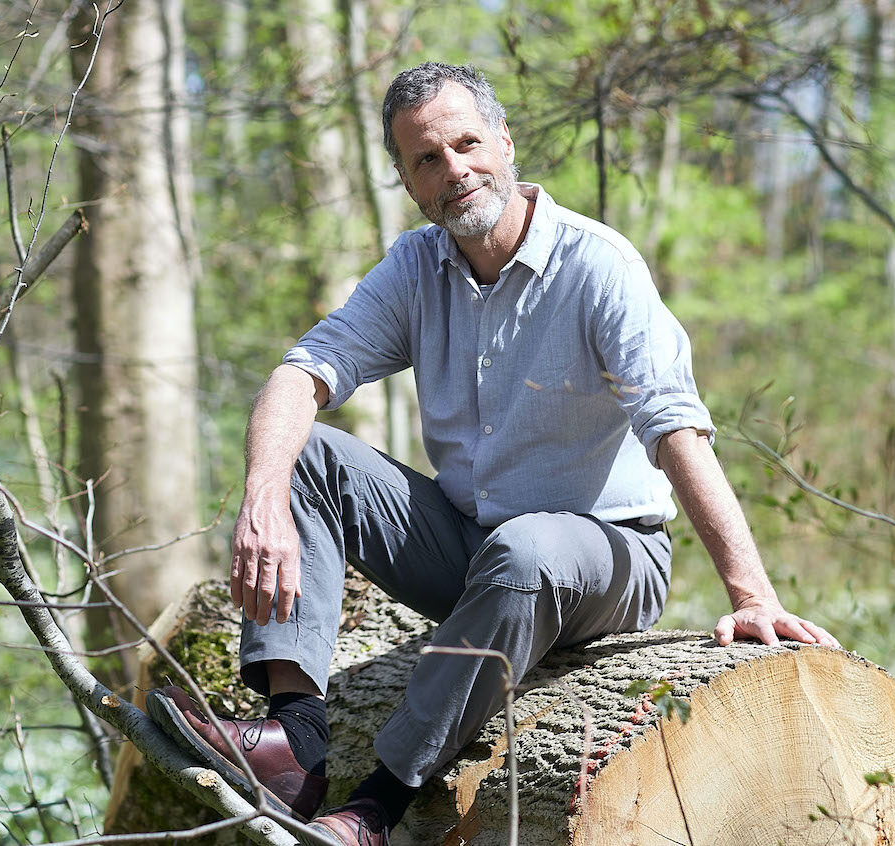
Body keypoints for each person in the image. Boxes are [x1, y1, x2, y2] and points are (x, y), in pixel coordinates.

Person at [148, 62, 838, 846]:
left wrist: (752, 593)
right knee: (306, 456)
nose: (454, 170)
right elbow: (301, 372)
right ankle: (293, 745)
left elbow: (675, 427)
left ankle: (374, 807)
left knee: (525, 550)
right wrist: (262, 498)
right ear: (408, 182)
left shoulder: (596, 265)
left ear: (504, 141)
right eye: (427, 159)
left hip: (608, 559)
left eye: (467, 144)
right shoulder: (416, 267)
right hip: (474, 548)